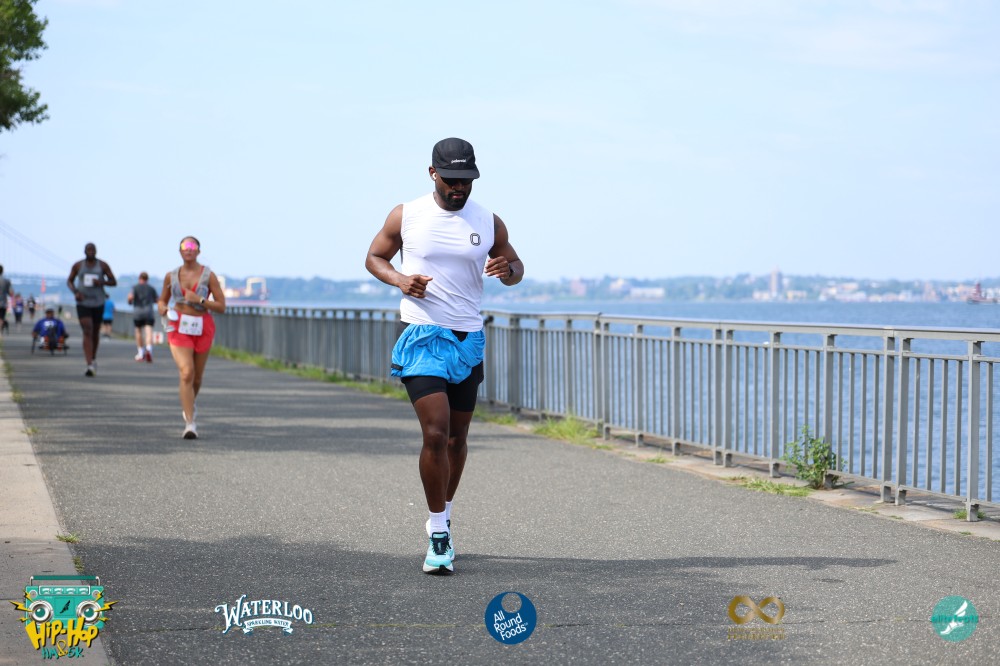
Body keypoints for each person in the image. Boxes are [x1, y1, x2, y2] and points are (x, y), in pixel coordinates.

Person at [365, 137, 523, 574]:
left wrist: (507, 270)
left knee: (457, 438)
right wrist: (400, 280)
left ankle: (445, 512)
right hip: (422, 333)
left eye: (466, 180)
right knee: (435, 433)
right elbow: (374, 257)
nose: (459, 188)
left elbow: (515, 267)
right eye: (452, 179)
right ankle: (438, 533)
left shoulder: (488, 221)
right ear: (432, 173)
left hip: (467, 338)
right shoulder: (407, 215)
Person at [158, 236, 225, 440]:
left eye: (192, 246)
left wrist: (200, 300)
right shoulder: (171, 276)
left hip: (202, 325)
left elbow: (221, 306)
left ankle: (190, 403)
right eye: (184, 246)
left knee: (197, 377)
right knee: (187, 372)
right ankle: (190, 423)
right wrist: (163, 308)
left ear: (198, 251)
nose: (188, 249)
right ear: (180, 251)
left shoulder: (208, 276)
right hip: (179, 326)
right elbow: (162, 300)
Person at [67, 243, 117, 376]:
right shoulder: (78, 265)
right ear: (84, 251)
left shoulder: (103, 265)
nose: (91, 252)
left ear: (96, 251)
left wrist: (101, 282)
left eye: (93, 250)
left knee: (95, 332)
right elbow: (69, 281)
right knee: (87, 329)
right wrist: (75, 292)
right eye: (88, 250)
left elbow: (114, 281)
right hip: (83, 302)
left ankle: (93, 358)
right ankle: (89, 364)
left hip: (98, 302)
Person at [128, 272, 158, 362]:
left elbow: (130, 298)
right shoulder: (151, 288)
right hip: (149, 312)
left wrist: (130, 300)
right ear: (147, 279)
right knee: (149, 331)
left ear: (139, 278)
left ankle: (141, 353)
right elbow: (157, 300)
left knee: (138, 332)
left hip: (138, 313)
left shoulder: (135, 287)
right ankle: (149, 350)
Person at [0, 265, 12, 335]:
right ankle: (0, 331)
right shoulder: (6, 281)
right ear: (2, 271)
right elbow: (10, 293)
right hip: (3, 303)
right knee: (1, 318)